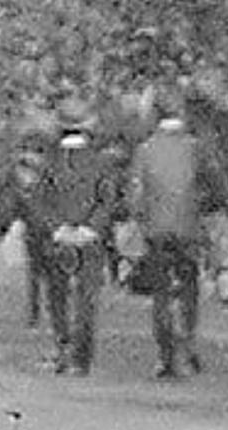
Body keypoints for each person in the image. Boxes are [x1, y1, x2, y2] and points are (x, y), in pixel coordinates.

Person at [127, 96, 213, 380]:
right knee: (189, 288)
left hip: (157, 231)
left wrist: (140, 220)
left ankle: (165, 356)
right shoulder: (195, 149)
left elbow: (135, 195)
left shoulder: (146, 150)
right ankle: (187, 342)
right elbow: (214, 187)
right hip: (188, 229)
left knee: (161, 294)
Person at [28, 113, 117, 376]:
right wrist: (91, 227)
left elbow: (38, 202)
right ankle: (82, 356)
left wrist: (57, 228)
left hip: (59, 239)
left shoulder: (50, 164)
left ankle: (64, 346)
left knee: (58, 296)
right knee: (86, 298)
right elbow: (108, 199)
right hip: (89, 239)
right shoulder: (100, 164)